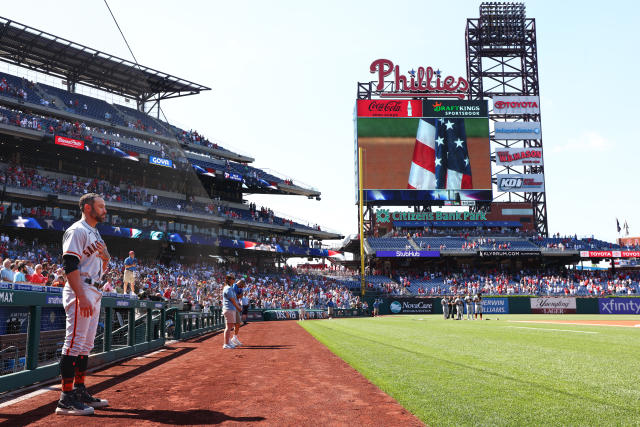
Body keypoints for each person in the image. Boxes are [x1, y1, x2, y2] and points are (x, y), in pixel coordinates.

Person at [56, 193, 110, 416]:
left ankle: (79, 390)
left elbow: (101, 266)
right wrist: (82, 295)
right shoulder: (77, 230)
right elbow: (70, 264)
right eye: (101, 206)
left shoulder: (95, 232)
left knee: (85, 346)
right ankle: (65, 399)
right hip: (82, 289)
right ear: (88, 208)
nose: (105, 210)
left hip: (94, 288)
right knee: (73, 343)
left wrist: (106, 258)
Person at [221, 275, 242, 349]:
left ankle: (228, 342)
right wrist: (238, 308)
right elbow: (232, 300)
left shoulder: (229, 288)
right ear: (229, 280)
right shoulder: (228, 288)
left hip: (230, 309)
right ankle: (226, 344)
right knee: (228, 327)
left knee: (230, 326)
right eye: (233, 279)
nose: (234, 280)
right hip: (229, 308)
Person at [231, 279, 245, 346]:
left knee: (238, 323)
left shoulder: (240, 288)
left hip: (236, 306)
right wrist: (239, 295)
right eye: (242, 286)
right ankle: (228, 341)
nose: (242, 287)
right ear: (240, 284)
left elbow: (240, 296)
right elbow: (236, 296)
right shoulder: (234, 286)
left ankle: (234, 337)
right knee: (230, 324)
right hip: (231, 306)